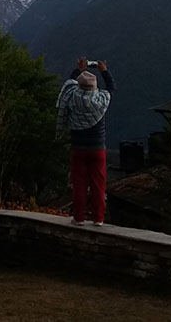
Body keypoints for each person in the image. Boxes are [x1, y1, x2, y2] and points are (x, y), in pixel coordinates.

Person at [56, 57, 115, 226]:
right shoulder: (102, 100)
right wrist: (104, 70)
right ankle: (99, 218)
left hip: (78, 148)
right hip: (98, 149)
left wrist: (79, 70)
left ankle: (79, 218)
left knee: (79, 183)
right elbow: (111, 87)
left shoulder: (71, 97)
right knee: (98, 183)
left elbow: (68, 83)